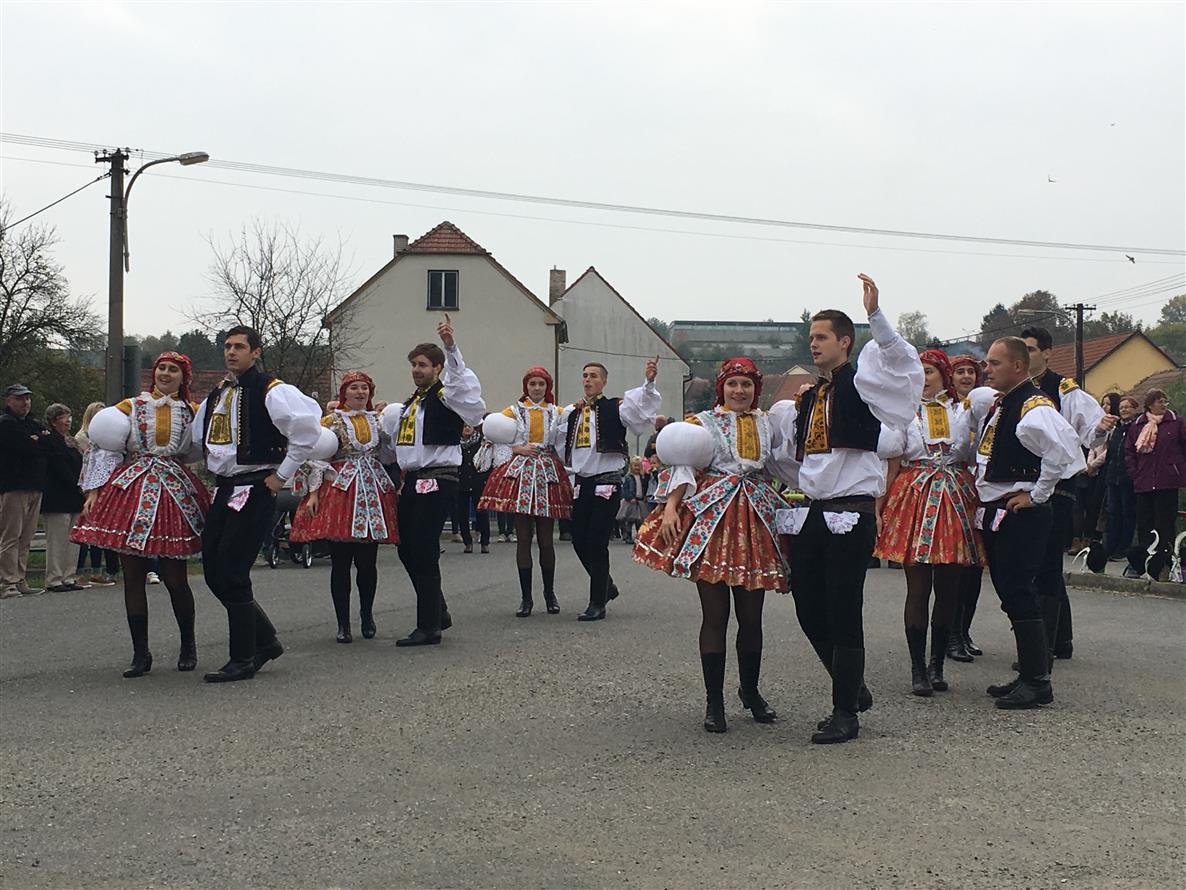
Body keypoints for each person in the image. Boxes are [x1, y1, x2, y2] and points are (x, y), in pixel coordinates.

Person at [774, 274, 923, 744]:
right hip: (814, 509)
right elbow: (799, 460)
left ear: (844, 341)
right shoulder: (812, 396)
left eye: (822, 336)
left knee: (843, 609)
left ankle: (845, 712)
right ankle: (852, 687)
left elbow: (901, 365)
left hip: (852, 512)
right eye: (811, 337)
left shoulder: (865, 386)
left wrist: (875, 314)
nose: (813, 343)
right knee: (806, 604)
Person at [634, 358, 794, 733]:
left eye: (746, 384)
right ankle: (714, 701)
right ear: (722, 387)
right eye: (733, 384)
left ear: (756, 389)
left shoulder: (768, 424)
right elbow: (684, 464)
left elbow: (780, 464)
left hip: (754, 518)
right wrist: (671, 507)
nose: (739, 390)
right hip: (714, 520)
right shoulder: (702, 423)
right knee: (715, 614)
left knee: (752, 616)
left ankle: (750, 691)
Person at [192, 327, 323, 682]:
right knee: (213, 569)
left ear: (256, 352)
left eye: (239, 347)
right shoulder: (218, 393)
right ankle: (265, 640)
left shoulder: (271, 390)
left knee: (233, 570)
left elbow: (307, 433)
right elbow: (196, 441)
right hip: (225, 487)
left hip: (254, 486)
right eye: (227, 346)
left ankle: (243, 657)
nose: (231, 352)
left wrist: (282, 475)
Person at [72, 352, 213, 677]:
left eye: (173, 370)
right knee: (132, 576)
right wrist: (94, 491)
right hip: (132, 487)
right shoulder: (131, 406)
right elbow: (106, 448)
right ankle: (140, 653)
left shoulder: (192, 411)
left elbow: (201, 449)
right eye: (162, 368)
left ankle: (188, 645)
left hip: (173, 490)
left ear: (183, 377)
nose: (166, 373)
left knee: (175, 578)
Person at [968, 336, 1085, 709]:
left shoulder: (1033, 406)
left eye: (994, 363)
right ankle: (1030, 674)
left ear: (1017, 366)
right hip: (1001, 510)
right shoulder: (1006, 403)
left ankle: (1037, 681)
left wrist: (1037, 494)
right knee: (1010, 590)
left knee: (1020, 589)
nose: (987, 369)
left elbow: (1063, 452)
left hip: (1021, 513)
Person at [875, 349, 982, 697]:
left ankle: (937, 664)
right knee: (918, 589)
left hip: (954, 497)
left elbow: (975, 457)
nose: (923, 378)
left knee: (949, 589)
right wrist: (879, 508)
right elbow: (892, 464)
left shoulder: (963, 410)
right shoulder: (904, 413)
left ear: (943, 375)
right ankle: (917, 668)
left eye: (929, 371)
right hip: (915, 497)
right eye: (918, 372)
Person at [382, 315, 486, 646]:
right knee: (406, 548)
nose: (417, 370)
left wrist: (451, 347)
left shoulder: (446, 396)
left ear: (437, 368)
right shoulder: (413, 403)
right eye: (414, 365)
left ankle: (429, 626)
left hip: (439, 478)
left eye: (423, 365)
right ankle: (437, 611)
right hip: (413, 479)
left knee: (424, 548)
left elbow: (464, 386)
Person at [1019, 327, 1114, 660]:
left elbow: (1091, 433)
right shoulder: (1016, 389)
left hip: (1058, 484)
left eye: (1031, 349)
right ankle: (1060, 639)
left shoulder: (1064, 388)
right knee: (1038, 563)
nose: (1026, 355)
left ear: (1047, 353)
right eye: (1022, 350)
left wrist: (1099, 429)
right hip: (1026, 483)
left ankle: (1043, 645)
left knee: (1045, 560)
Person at [291, 370, 398, 643]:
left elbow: (390, 455)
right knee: (340, 563)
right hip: (341, 493)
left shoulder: (378, 421)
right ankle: (343, 623)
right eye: (354, 388)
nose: (360, 392)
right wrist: (313, 493)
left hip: (372, 491)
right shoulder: (331, 421)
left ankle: (367, 614)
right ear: (344, 393)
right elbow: (317, 457)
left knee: (368, 563)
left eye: (364, 388)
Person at [554, 356, 661, 621]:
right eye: (585, 375)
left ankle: (597, 602)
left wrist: (648, 382)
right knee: (578, 539)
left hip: (608, 481)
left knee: (597, 541)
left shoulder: (616, 407)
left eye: (593, 376)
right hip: (582, 482)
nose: (588, 380)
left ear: (604, 381)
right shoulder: (573, 412)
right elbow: (557, 440)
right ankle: (606, 586)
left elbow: (640, 412)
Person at [478, 367, 572, 617]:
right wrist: (517, 449)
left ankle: (549, 593)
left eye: (541, 384)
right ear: (526, 387)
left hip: (547, 472)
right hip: (520, 473)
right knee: (523, 538)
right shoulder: (513, 411)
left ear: (547, 387)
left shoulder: (557, 412)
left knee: (546, 539)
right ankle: (526, 598)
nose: (537, 388)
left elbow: (568, 437)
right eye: (533, 384)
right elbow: (493, 436)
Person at [947, 354, 986, 662]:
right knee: (955, 568)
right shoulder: (946, 410)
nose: (966, 377)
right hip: (953, 488)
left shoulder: (986, 409)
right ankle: (950, 634)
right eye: (959, 371)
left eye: (971, 372)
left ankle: (964, 630)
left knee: (975, 567)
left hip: (979, 491)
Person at [1124, 388, 1186, 580]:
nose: (1163, 404)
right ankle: (1142, 562)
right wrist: (1134, 473)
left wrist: (1179, 469)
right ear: (1150, 404)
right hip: (1144, 481)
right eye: (1159, 401)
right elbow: (1129, 451)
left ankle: (1165, 563)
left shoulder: (1176, 422)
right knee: (1145, 523)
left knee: (1165, 523)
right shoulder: (1138, 425)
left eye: (1165, 401)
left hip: (1168, 480)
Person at [0, 383, 52, 598]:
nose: (25, 403)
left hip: (35, 484)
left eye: (27, 398)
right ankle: (7, 582)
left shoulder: (34, 422)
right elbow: (23, 447)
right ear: (9, 400)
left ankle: (20, 577)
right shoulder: (6, 423)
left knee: (26, 536)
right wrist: (35, 441)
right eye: (20, 398)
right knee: (10, 535)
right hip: (14, 485)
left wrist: (37, 440)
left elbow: (47, 445)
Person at [73, 401, 119, 587]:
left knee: (108, 528)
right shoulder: (84, 438)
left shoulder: (112, 440)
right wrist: (89, 490)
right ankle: (88, 571)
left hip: (110, 488)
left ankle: (110, 570)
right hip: (91, 488)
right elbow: (89, 466)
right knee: (90, 530)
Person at [40, 403, 85, 592]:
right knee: (57, 540)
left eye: (69, 416)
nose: (68, 420)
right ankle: (54, 578)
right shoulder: (49, 440)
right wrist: (75, 483)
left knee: (73, 539)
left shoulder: (72, 441)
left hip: (75, 497)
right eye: (64, 417)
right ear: (53, 421)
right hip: (57, 496)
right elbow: (58, 466)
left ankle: (69, 575)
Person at [1105, 396, 1139, 564]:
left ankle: (1123, 548)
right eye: (1122, 407)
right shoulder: (1116, 429)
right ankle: (1110, 546)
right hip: (1113, 476)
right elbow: (1110, 452)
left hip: (1128, 478)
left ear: (1135, 409)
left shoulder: (1137, 428)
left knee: (1128, 513)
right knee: (1113, 513)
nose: (1124, 410)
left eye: (1128, 407)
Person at [456, 423, 491, 554]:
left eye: (469, 426)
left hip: (478, 480)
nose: (466, 428)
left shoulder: (481, 442)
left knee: (481, 512)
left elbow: (487, 460)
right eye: (464, 426)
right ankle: (467, 542)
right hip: (462, 481)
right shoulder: (456, 443)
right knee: (462, 513)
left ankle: (485, 542)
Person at [617, 456, 648, 544]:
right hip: (630, 502)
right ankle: (628, 535)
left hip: (640, 501)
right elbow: (625, 489)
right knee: (630, 520)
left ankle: (639, 536)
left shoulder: (642, 477)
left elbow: (644, 487)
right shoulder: (628, 477)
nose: (637, 468)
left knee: (640, 521)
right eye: (635, 466)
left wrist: (644, 496)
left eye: (639, 466)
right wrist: (630, 497)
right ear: (631, 466)